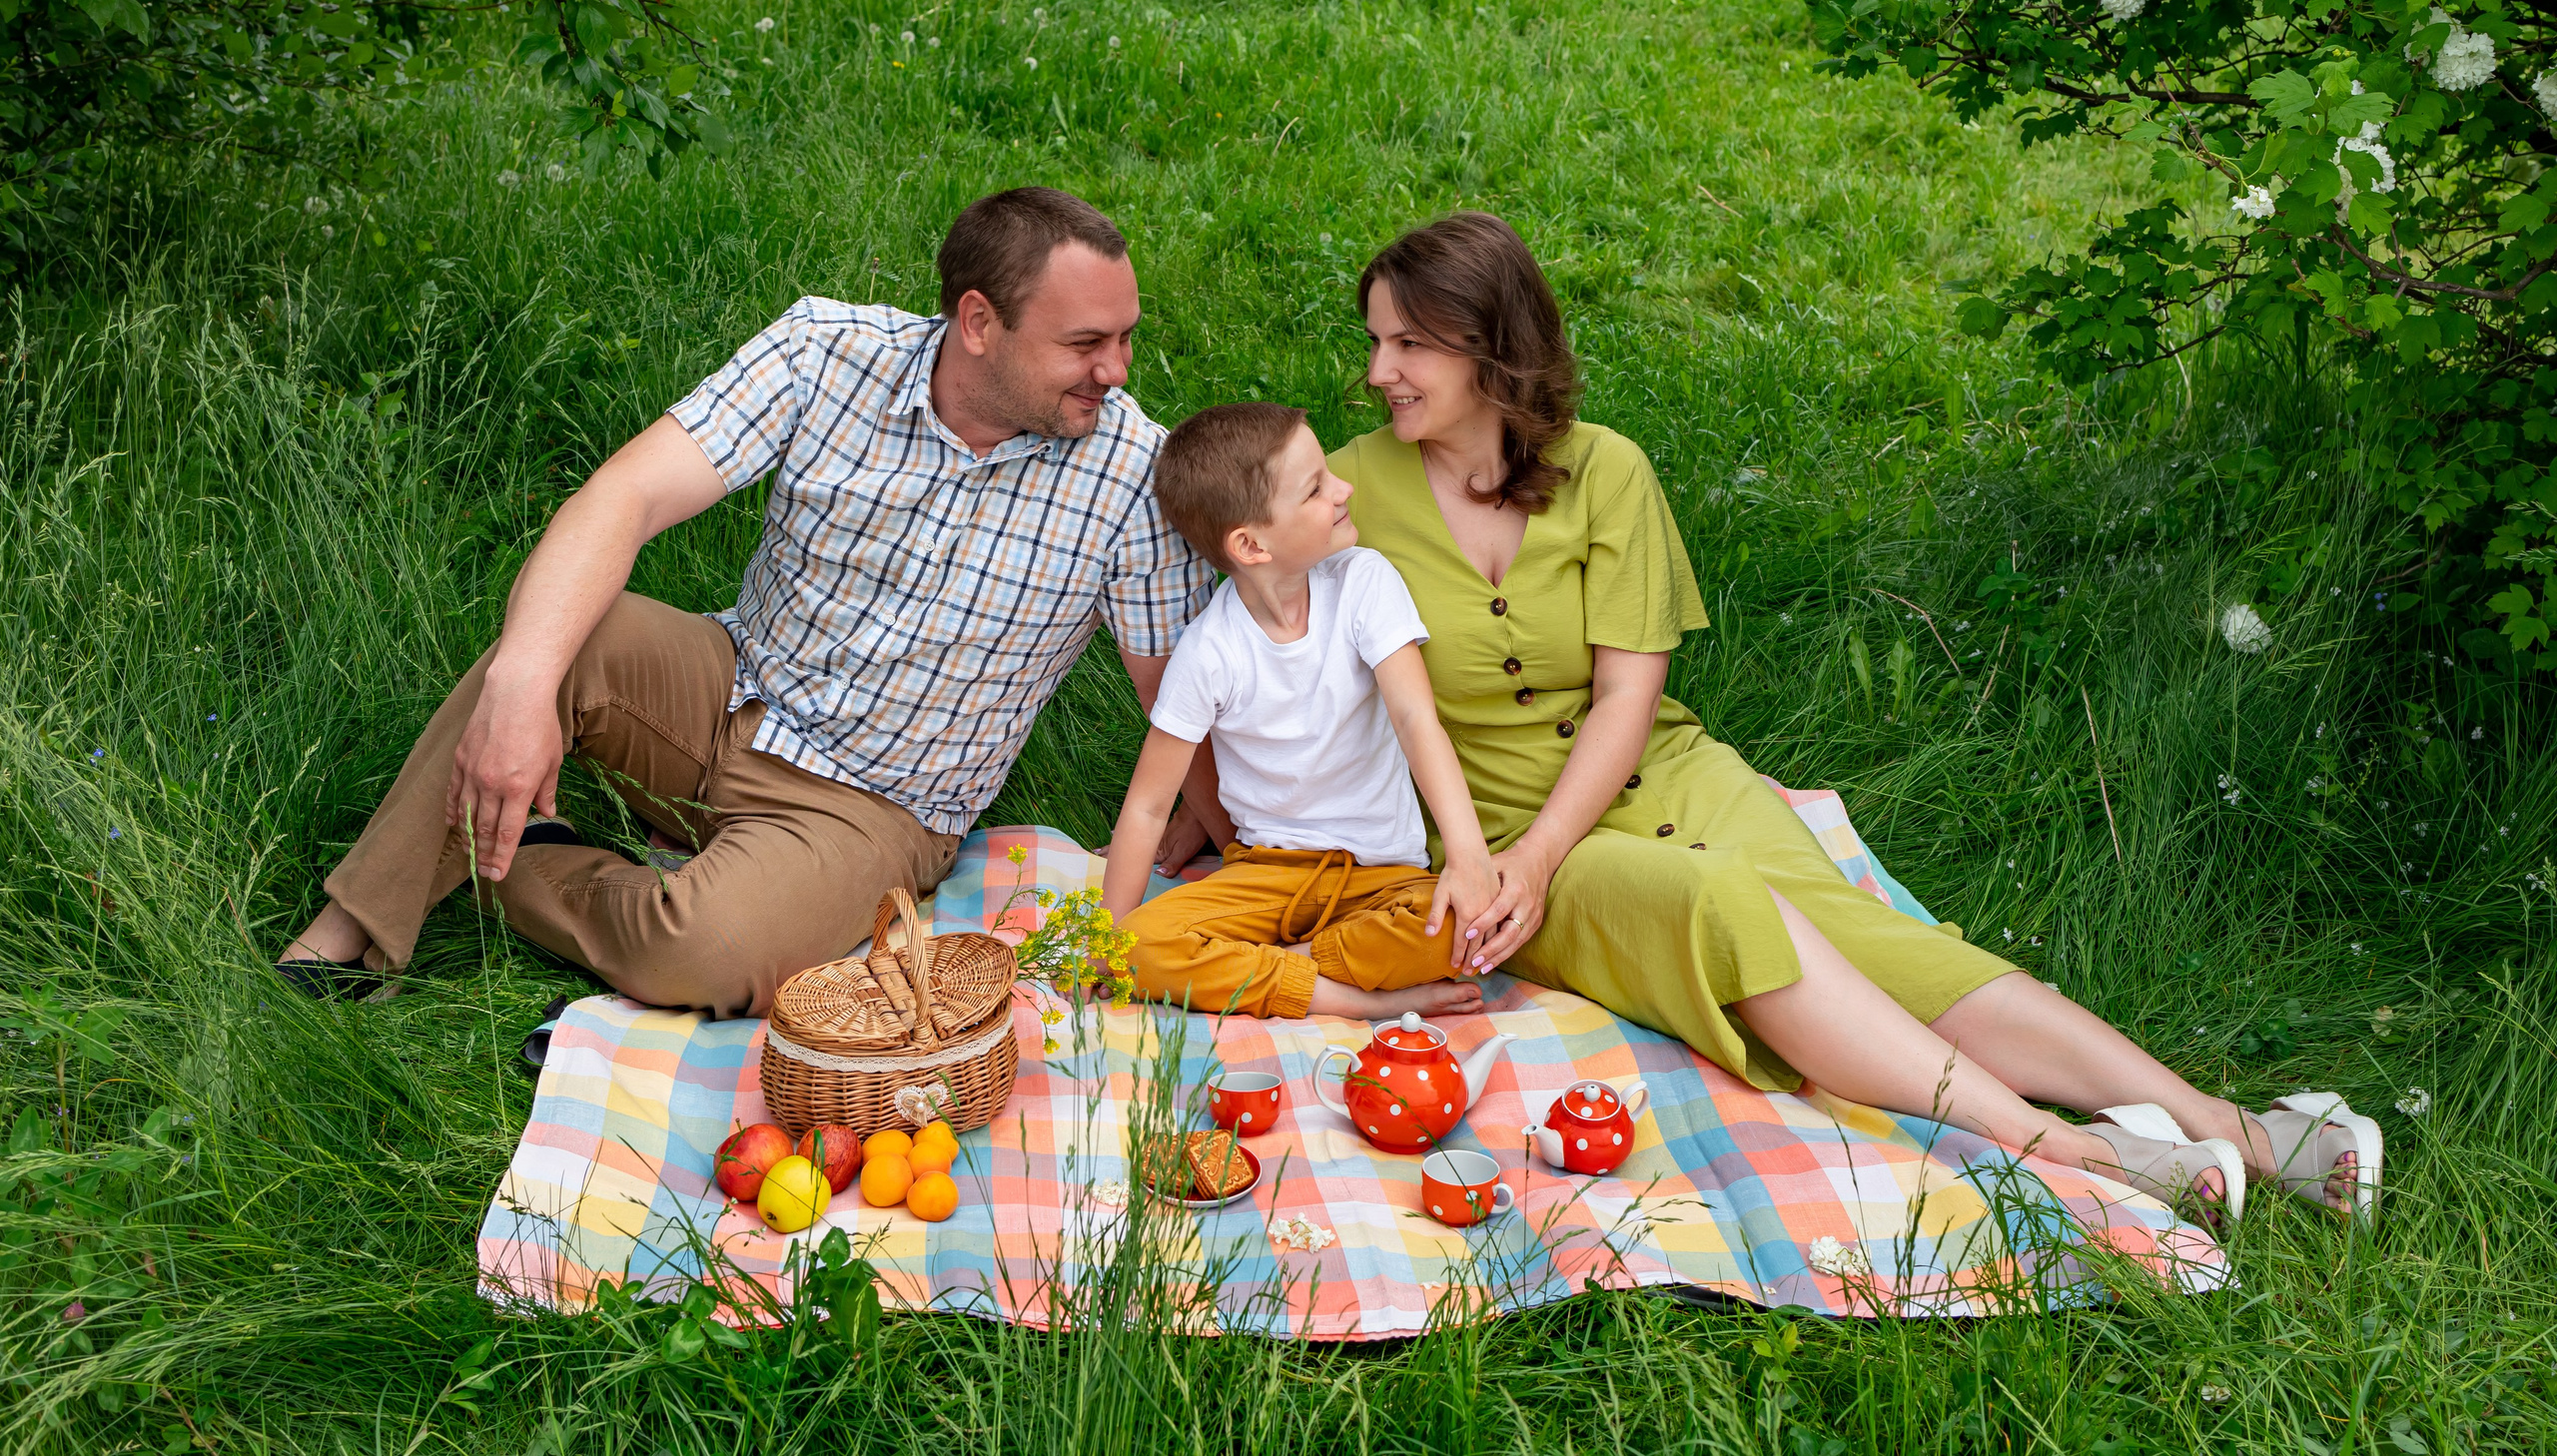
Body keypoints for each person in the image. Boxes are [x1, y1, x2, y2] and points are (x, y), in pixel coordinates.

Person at [1325, 210, 2381, 1229]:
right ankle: (2073, 1149)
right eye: (1376, 340)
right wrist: (1521, 859)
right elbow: (1248, 624)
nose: (1379, 372)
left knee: (1870, 937)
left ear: (1493, 349)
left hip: (1667, 772)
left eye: (1409, 343)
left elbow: (1627, 697)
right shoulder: (1346, 493)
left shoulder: (1608, 468)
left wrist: (1554, 841)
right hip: (1505, 853)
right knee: (1717, 906)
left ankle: (2236, 1129)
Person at [275, 187, 1227, 1018]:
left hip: (871, 806)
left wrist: (1250, 846)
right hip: (728, 690)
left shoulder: (1135, 473)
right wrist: (525, 689)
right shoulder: (825, 352)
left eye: (1125, 336)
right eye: (1085, 343)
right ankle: (350, 928)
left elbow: (1183, 698)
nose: (1117, 369)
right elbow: (624, 496)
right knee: (559, 640)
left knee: (704, 951)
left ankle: (519, 855)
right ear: (978, 322)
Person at [1099, 402, 1498, 1021]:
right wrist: (1111, 939)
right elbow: (1149, 804)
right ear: (1251, 544)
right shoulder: (1209, 651)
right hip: (1266, 874)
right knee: (1140, 948)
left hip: (1383, 877)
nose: (1344, 489)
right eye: (1316, 488)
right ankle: (1351, 998)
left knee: (1462, 930)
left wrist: (1469, 856)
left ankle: (1277, 969)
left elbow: (1418, 723)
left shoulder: (1365, 582)